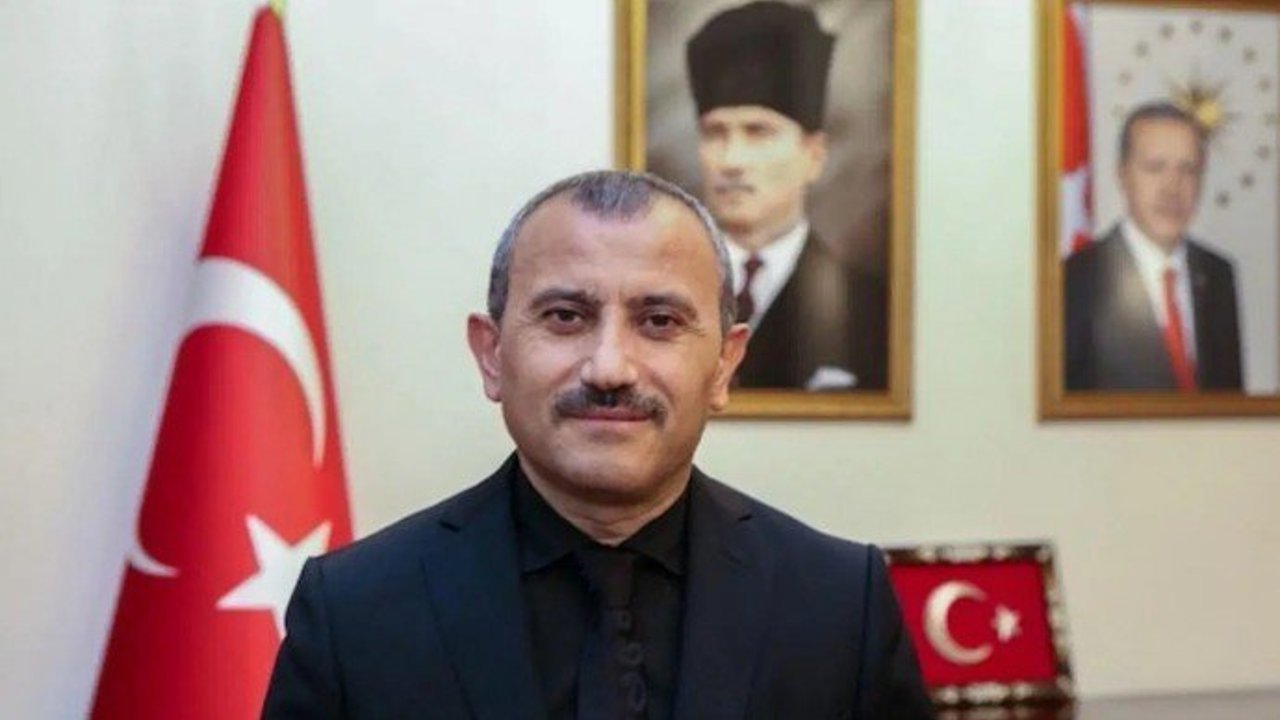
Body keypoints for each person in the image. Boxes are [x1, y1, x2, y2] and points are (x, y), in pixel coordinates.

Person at [262, 170, 934, 719]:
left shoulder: (839, 605)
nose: (610, 367)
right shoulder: (355, 611)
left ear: (724, 366)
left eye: (659, 321)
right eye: (565, 317)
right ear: (491, 355)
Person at [686, 0, 888, 391]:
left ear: (813, 156)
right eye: (715, 133)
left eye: (758, 132)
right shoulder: (661, 297)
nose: (731, 160)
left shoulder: (872, 309)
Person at [1064, 101, 1243, 391]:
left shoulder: (1218, 275)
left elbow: (1228, 404)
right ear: (1122, 175)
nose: (1172, 188)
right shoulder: (1073, 281)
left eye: (1188, 169)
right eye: (1155, 167)